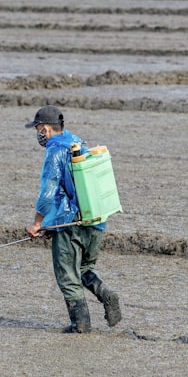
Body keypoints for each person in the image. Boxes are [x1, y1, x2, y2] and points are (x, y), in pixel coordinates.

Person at [25, 105, 122, 333]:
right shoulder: (77, 143)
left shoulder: (54, 150)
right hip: (97, 219)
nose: (37, 133)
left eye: (38, 128)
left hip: (72, 224)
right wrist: (51, 225)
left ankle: (81, 325)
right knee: (84, 267)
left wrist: (38, 223)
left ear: (46, 130)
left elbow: (48, 192)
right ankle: (106, 294)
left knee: (67, 274)